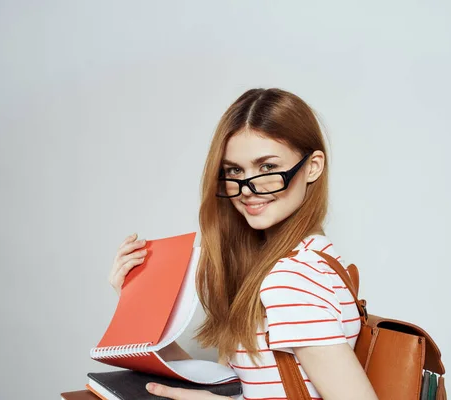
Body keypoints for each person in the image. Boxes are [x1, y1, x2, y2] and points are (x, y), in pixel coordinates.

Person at [108, 88, 378, 400]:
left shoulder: (292, 278)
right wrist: (140, 304)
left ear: (313, 166)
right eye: (234, 170)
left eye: (267, 167)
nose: (248, 189)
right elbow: (235, 388)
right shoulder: (317, 259)